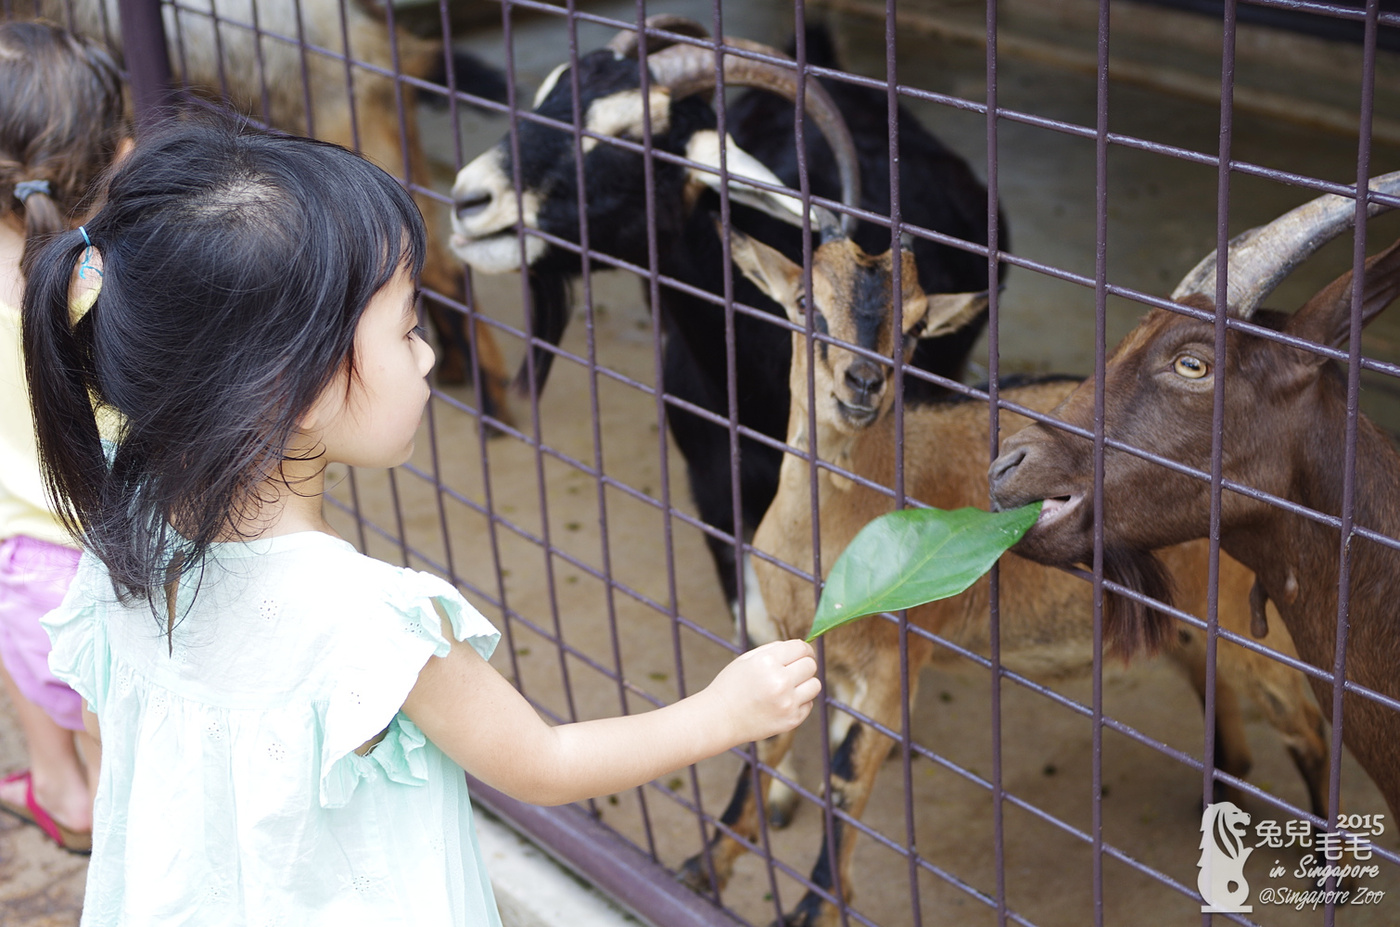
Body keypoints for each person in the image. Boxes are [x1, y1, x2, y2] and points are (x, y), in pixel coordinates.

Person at [23, 117, 820, 924]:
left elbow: (113, 740)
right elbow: (543, 762)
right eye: (407, 330)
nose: (430, 355)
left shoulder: (118, 550)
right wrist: (722, 714)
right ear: (292, 388)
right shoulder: (373, 625)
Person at [0, 20, 127, 855]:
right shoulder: (123, 283)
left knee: (50, 693)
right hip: (121, 567)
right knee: (127, 757)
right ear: (118, 155)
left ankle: (62, 797)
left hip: (21, 570)